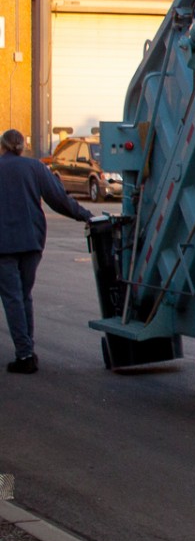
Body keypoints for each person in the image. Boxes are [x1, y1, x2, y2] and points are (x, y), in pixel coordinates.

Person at [0, 129, 95, 374]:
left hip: (4, 245)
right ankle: (27, 350)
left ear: (2, 147)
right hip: (32, 241)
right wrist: (86, 216)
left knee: (13, 297)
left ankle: (25, 355)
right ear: (21, 147)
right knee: (24, 295)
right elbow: (59, 199)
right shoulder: (35, 167)